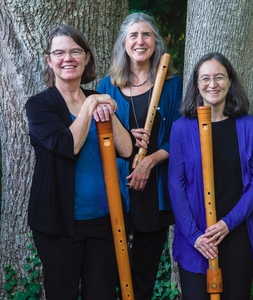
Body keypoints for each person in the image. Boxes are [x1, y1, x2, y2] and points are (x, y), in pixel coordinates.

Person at [25, 25, 133, 300]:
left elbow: (127, 148)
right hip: (58, 224)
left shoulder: (95, 99)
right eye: (59, 52)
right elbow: (67, 146)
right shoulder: (39, 105)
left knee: (102, 295)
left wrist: (106, 112)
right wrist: (89, 105)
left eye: (75, 51)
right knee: (62, 294)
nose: (67, 58)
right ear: (49, 61)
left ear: (87, 57)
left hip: (104, 222)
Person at [96, 12, 182, 300]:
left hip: (154, 188)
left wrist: (151, 159)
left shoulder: (172, 84)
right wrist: (125, 140)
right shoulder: (106, 87)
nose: (140, 41)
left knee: (144, 274)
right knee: (110, 269)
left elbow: (182, 137)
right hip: (117, 189)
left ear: (155, 42)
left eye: (146, 35)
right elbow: (96, 140)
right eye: (133, 35)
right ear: (124, 42)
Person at [168, 52, 253, 300]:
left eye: (219, 77)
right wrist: (194, 236)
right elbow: (176, 184)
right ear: (197, 83)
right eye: (205, 78)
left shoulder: (247, 125)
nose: (212, 84)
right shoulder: (181, 127)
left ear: (230, 81)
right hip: (197, 235)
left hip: (236, 231)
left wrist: (228, 223)